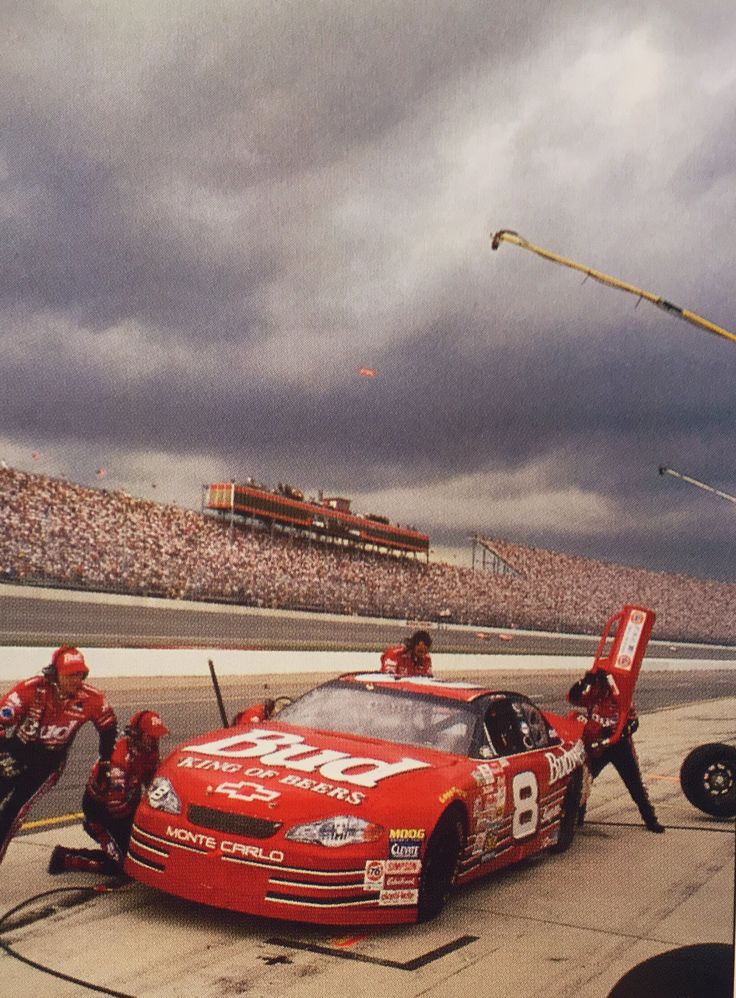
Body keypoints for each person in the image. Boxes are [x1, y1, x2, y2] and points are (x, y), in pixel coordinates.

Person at [0, 646, 117, 865]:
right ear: (55, 673)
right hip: (17, 754)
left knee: (13, 812)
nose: (76, 680)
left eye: (80, 674)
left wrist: (106, 760)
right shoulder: (30, 689)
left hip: (47, 765)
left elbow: (109, 728)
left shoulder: (93, 698)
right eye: (70, 674)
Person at [48, 710, 169, 875]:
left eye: (157, 736)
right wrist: (140, 818)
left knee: (141, 853)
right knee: (124, 865)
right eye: (151, 736)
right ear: (137, 735)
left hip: (127, 806)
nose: (155, 741)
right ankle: (65, 857)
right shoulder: (118, 760)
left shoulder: (149, 752)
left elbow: (155, 783)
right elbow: (116, 809)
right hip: (102, 813)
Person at [568, 669, 664, 833]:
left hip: (619, 746)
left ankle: (650, 819)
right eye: (596, 684)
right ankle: (578, 816)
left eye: (601, 684)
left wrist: (615, 735)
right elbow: (572, 699)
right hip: (597, 746)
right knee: (584, 779)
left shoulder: (622, 700)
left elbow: (634, 724)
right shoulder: (592, 697)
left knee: (635, 785)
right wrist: (582, 682)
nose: (598, 688)